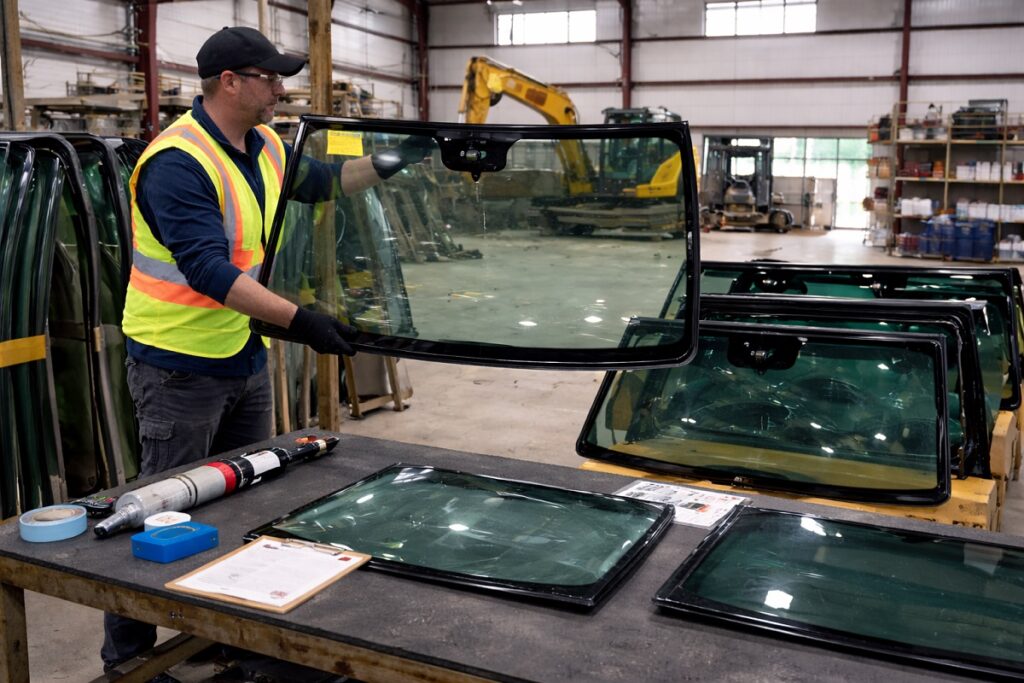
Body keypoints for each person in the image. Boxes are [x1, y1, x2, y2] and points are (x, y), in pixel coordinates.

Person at [101, 26, 428, 681]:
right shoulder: (178, 162)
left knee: (246, 505)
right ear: (231, 82)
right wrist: (302, 320)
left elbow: (327, 181)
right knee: (160, 508)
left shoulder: (266, 148)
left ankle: (223, 632)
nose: (281, 89)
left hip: (241, 357)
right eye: (270, 77)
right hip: (176, 365)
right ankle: (129, 656)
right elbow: (207, 270)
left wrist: (401, 157)